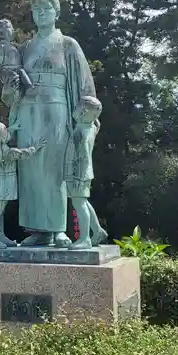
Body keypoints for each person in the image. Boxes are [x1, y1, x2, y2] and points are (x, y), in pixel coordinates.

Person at [2, 0, 97, 247]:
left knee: (55, 170)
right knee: (31, 170)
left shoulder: (68, 44)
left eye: (46, 8)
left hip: (57, 111)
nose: (41, 13)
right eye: (36, 9)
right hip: (28, 112)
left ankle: (57, 229)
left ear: (57, 13)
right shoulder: (25, 48)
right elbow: (11, 88)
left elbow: (85, 86)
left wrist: (84, 121)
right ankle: (37, 230)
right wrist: (12, 87)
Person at [0, 120, 46, 249]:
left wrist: (10, 128)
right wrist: (35, 146)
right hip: (5, 184)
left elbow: (1, 136)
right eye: (6, 132)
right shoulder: (8, 152)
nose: (8, 133)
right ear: (2, 137)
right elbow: (23, 153)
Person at [64, 96, 108, 249]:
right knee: (83, 202)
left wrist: (78, 176)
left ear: (83, 112)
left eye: (77, 107)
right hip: (83, 173)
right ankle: (97, 231)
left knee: (79, 203)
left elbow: (82, 157)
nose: (74, 110)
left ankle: (85, 239)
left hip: (78, 173)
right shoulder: (91, 127)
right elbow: (97, 123)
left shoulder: (80, 133)